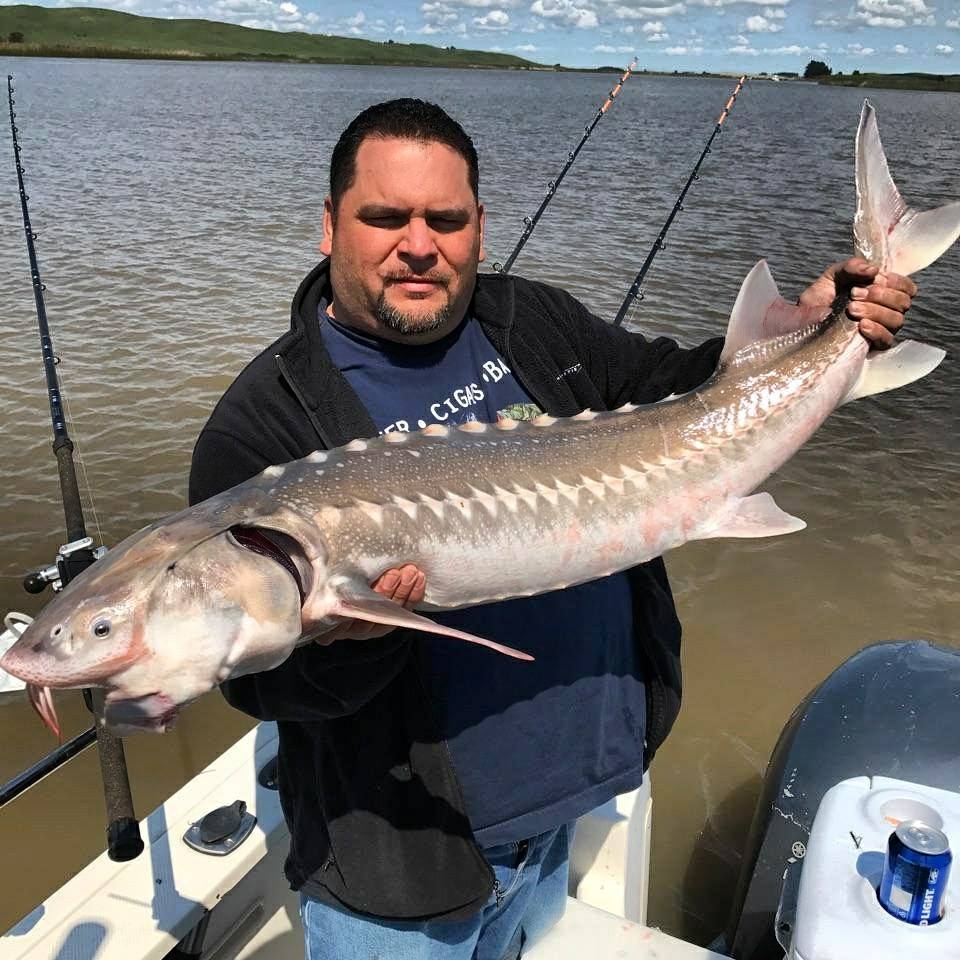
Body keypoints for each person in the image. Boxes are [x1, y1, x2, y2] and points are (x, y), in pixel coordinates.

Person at [188, 99, 916, 960]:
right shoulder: (262, 426)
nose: (418, 244)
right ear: (329, 226)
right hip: (409, 867)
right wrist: (354, 639)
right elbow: (260, 690)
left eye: (446, 220)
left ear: (480, 231)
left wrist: (807, 327)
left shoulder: (528, 319)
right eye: (384, 216)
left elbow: (675, 388)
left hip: (571, 803)